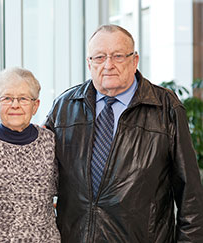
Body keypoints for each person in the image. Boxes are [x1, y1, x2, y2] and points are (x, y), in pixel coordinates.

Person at [44, 24, 203, 242]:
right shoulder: (64, 107)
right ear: (89, 63)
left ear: (134, 60)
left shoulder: (166, 108)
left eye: (118, 56)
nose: (108, 65)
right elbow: (39, 173)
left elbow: (190, 195)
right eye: (99, 57)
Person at [0, 67, 61, 242]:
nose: (15, 105)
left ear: (35, 105)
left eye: (23, 99)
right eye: (7, 98)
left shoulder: (50, 141)